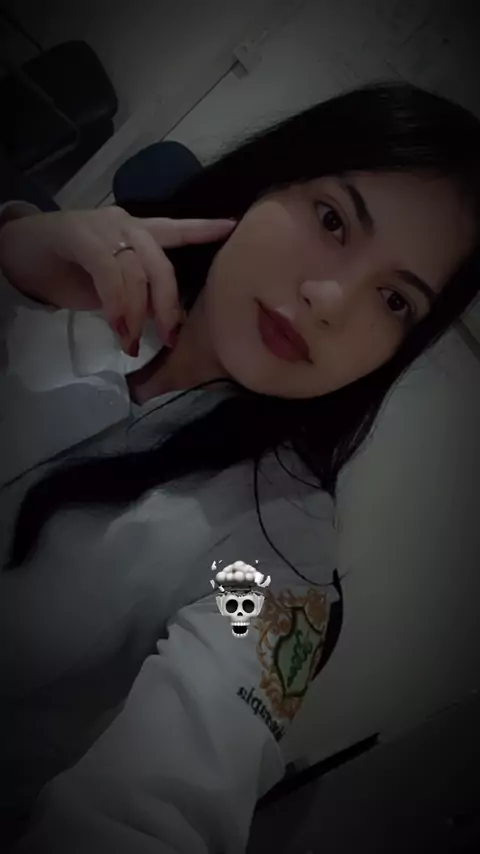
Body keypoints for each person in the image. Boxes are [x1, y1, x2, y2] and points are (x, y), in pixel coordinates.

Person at [0, 80, 479, 852]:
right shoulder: (76, 277)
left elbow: (162, 805)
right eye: (333, 219)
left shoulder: (272, 563)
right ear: (270, 180)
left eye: (395, 301)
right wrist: (11, 258)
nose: (329, 300)